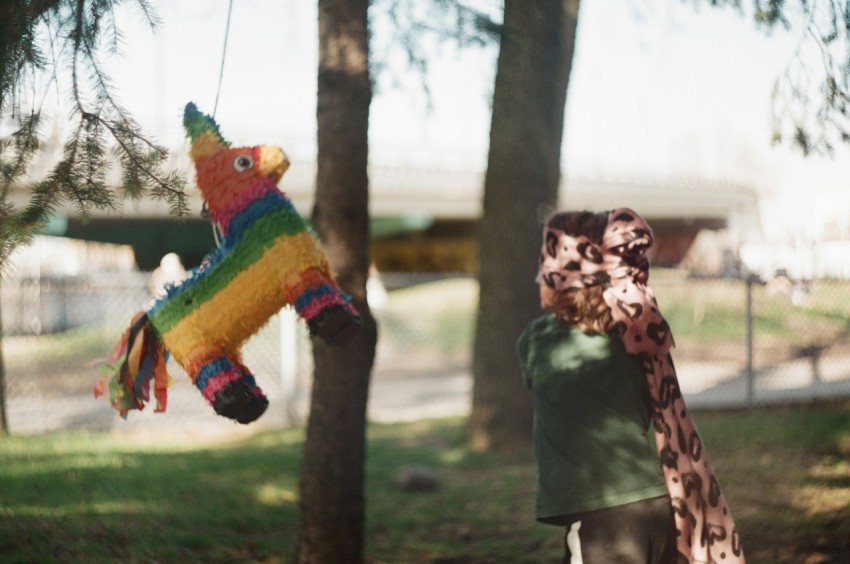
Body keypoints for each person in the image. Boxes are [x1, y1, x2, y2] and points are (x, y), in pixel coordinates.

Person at [517, 208, 744, 564]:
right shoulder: (637, 332)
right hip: (657, 504)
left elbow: (534, 378)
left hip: (600, 516)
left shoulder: (538, 340)